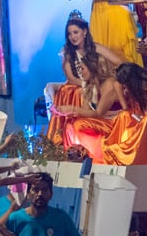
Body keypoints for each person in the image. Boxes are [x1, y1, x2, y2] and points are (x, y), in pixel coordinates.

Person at [47, 13, 123, 147]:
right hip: (82, 86)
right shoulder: (68, 52)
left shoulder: (96, 49)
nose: (73, 37)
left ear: (85, 32)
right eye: (69, 34)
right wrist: (87, 85)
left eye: (75, 32)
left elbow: (121, 63)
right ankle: (70, 149)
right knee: (71, 92)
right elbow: (70, 78)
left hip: (110, 115)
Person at [1, 174, 80, 236]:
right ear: (28, 194)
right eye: (35, 190)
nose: (40, 194)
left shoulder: (61, 217)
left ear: (51, 194)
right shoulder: (15, 219)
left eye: (44, 190)